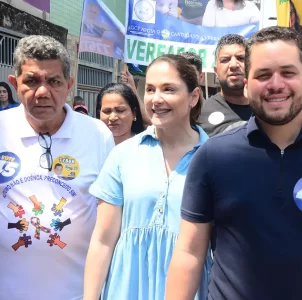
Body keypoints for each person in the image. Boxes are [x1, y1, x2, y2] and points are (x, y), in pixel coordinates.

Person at [166, 26, 302, 300]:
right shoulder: (213, 156)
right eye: (262, 74)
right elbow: (189, 252)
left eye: (287, 73)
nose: (275, 84)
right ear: (246, 83)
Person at [84, 54, 212, 300]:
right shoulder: (123, 155)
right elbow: (102, 240)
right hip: (126, 287)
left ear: (194, 96)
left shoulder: (214, 158)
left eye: (169, 89)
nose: (157, 99)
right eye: (150, 89)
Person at [0, 35, 114, 299]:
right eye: (31, 81)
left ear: (69, 85)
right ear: (15, 84)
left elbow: (110, 222)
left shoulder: (98, 135)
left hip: (78, 293)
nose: (42, 92)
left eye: (54, 81)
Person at [198, 34, 252, 136]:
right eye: (225, 60)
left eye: (240, 58)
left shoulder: (267, 109)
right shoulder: (199, 114)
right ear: (216, 71)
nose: (233, 65)